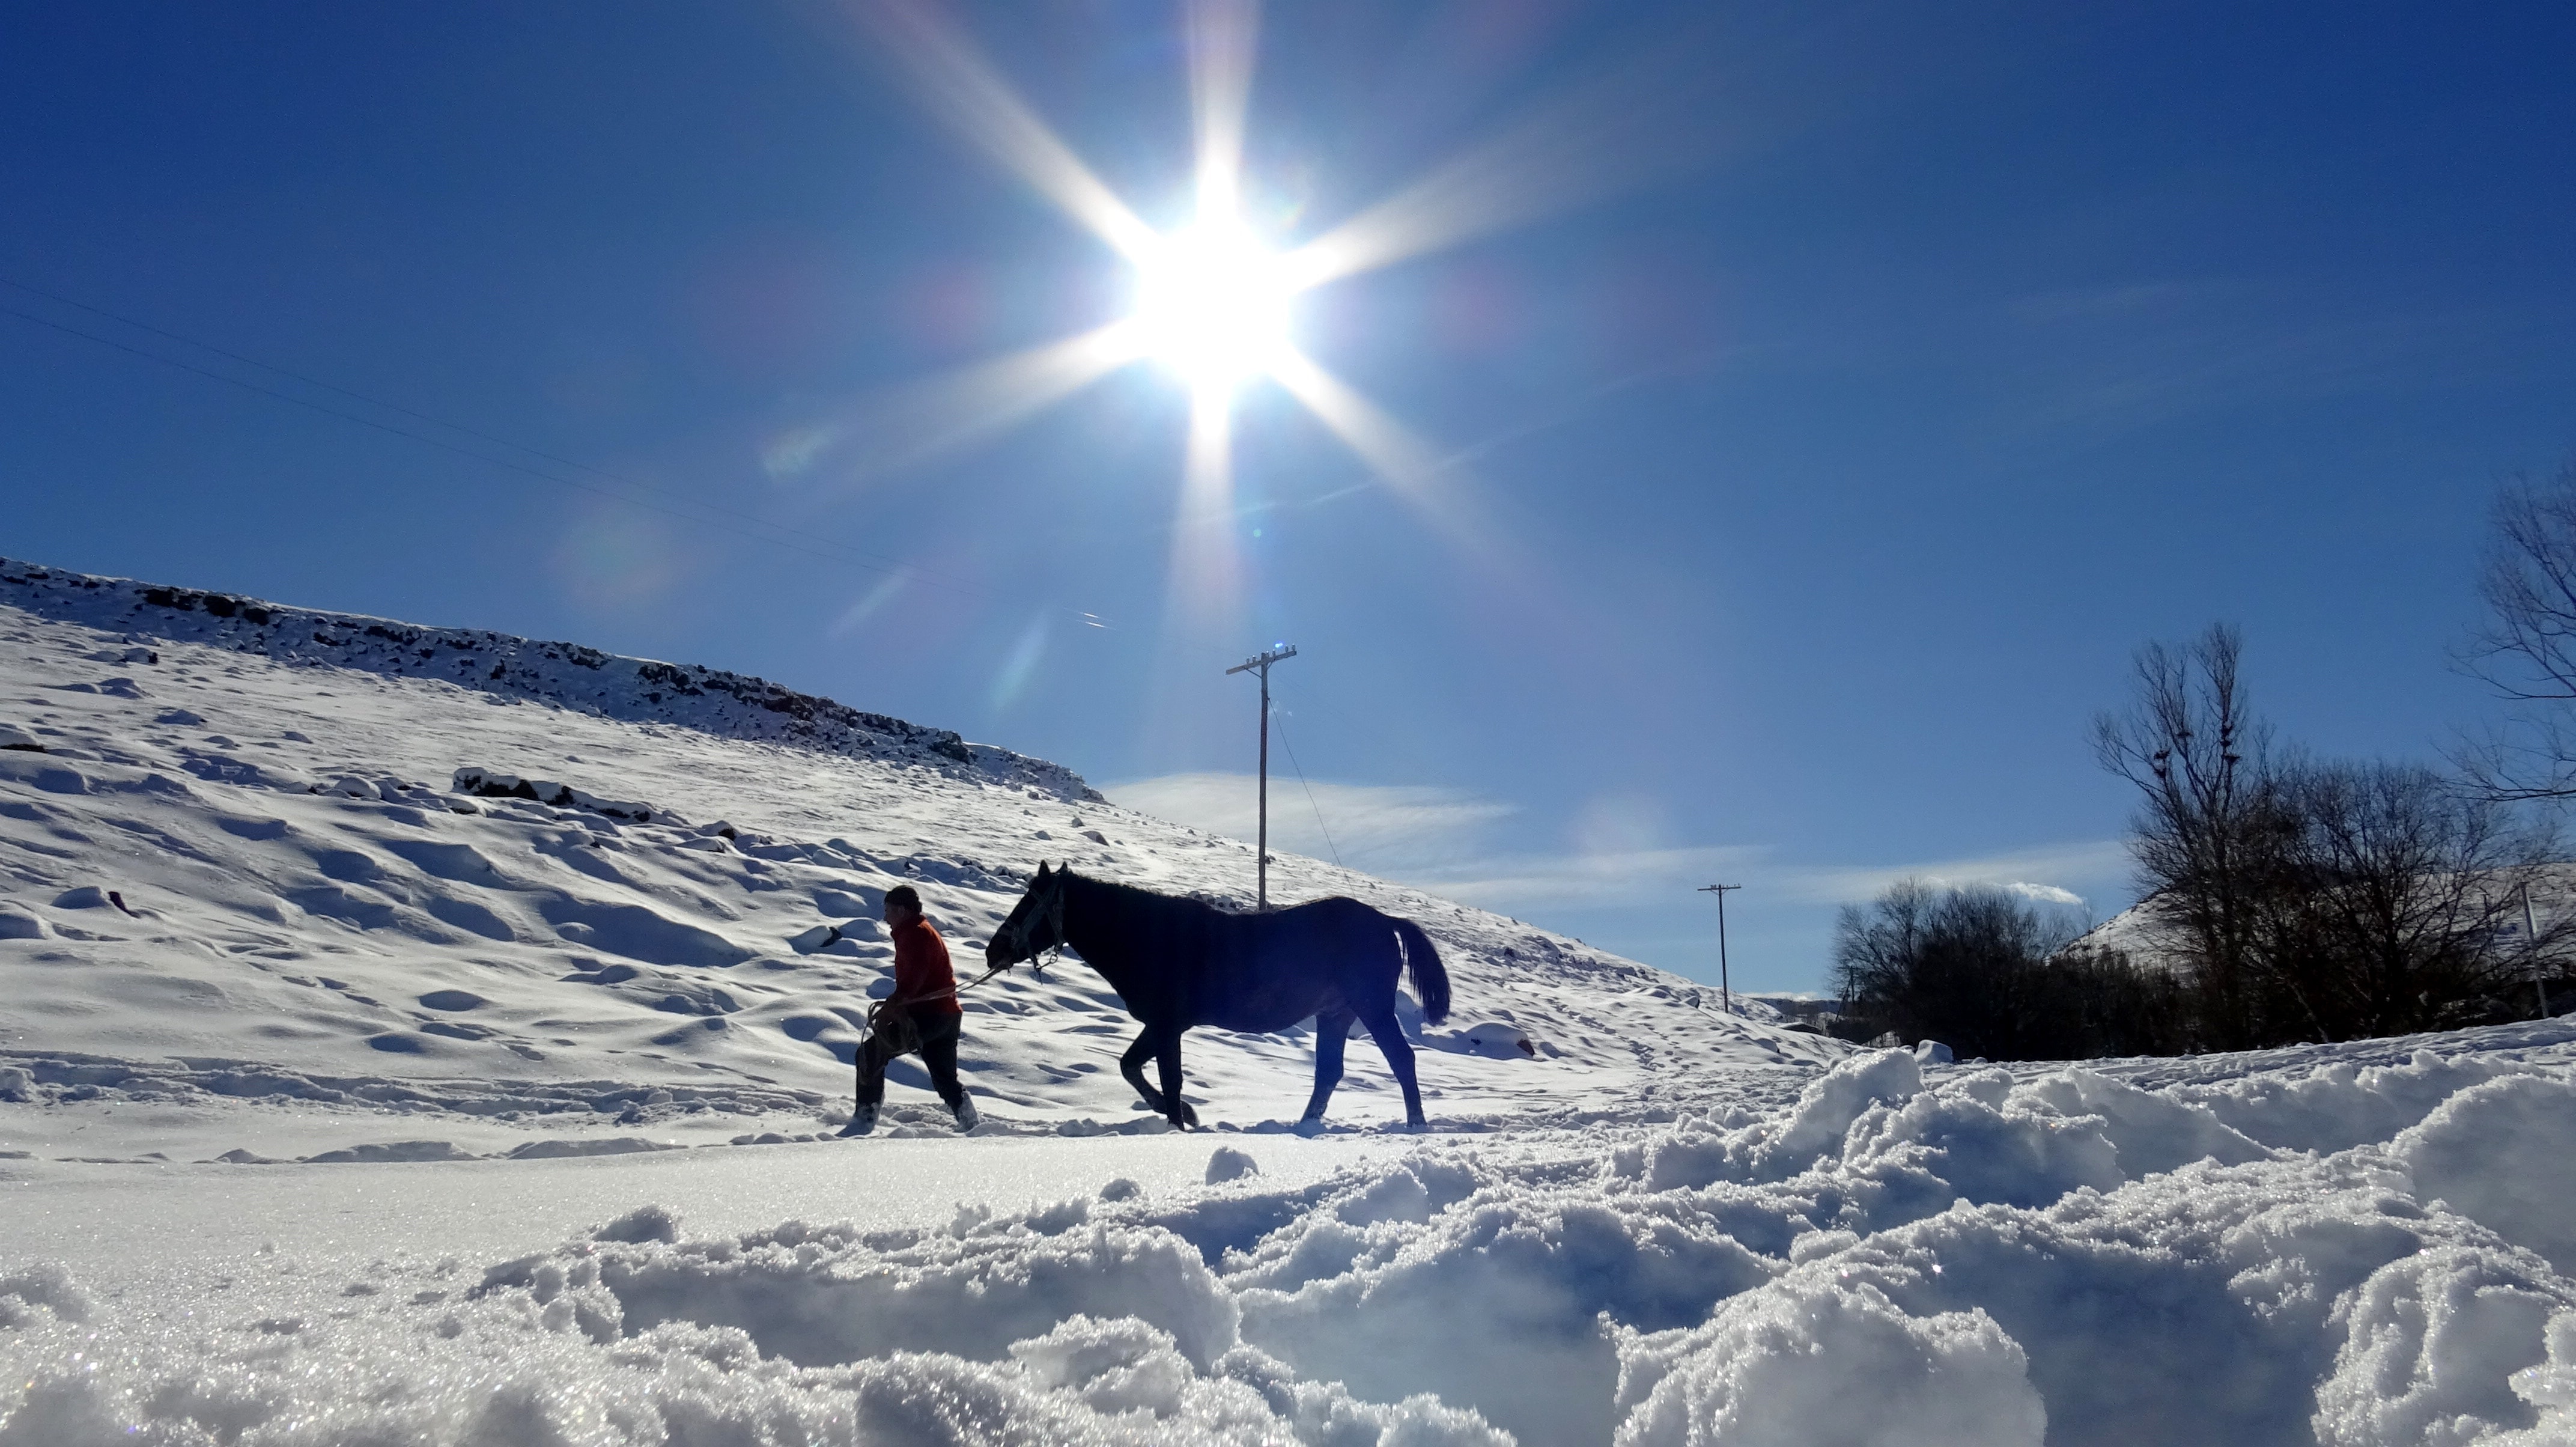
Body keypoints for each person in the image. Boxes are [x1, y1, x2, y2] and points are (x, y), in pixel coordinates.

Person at [840, 885, 980, 1136]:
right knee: (944, 1078)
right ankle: (970, 1122)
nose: (885, 918)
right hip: (948, 1016)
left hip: (928, 1017)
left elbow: (913, 981)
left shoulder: (914, 934)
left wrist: (892, 1006)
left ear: (902, 910)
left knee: (870, 1053)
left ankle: (865, 1118)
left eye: (888, 911)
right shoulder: (923, 931)